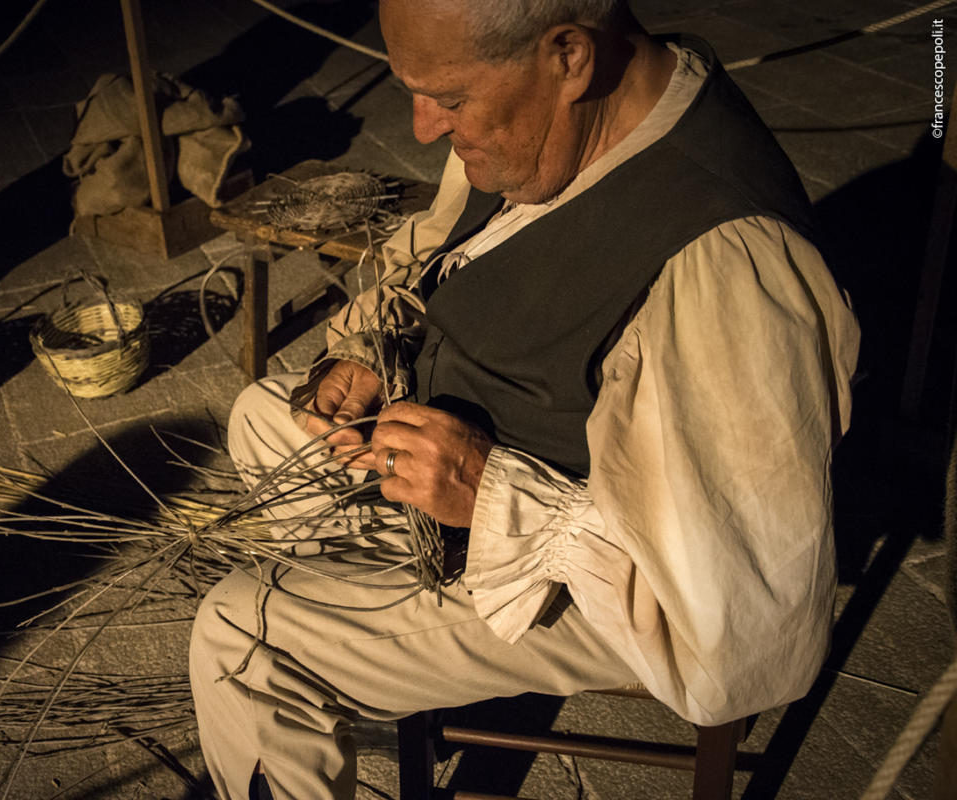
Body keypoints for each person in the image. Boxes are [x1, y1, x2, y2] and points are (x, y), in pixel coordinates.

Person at [188, 2, 861, 798]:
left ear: (569, 55)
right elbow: (445, 253)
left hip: (604, 585)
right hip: (498, 462)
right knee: (266, 419)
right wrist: (368, 350)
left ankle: (323, 667)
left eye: (448, 98)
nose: (424, 128)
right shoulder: (560, 119)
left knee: (243, 639)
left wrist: (487, 490)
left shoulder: (725, 263)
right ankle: (367, 675)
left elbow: (734, 636)